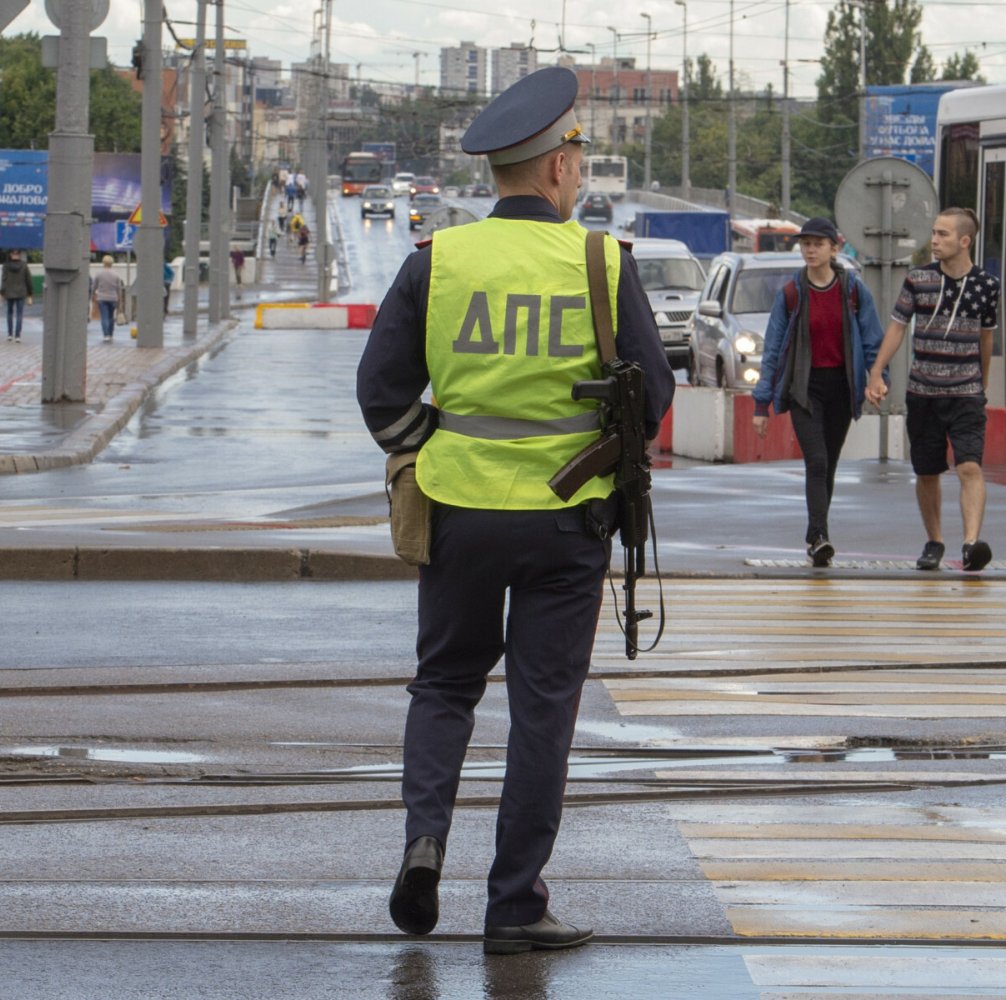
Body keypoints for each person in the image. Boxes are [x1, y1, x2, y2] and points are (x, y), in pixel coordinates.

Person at [357, 65, 673, 956]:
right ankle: (514, 906)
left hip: (457, 508)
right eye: (576, 156)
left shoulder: (441, 258)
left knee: (446, 684)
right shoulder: (600, 261)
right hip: (569, 520)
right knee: (543, 710)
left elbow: (379, 393)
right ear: (557, 168)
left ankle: (425, 843)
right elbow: (654, 393)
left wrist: (432, 445)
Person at [865, 207, 1001, 572]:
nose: (934, 240)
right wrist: (877, 372)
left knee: (970, 466)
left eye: (942, 234)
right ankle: (935, 541)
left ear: (964, 241)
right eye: (934, 233)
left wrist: (982, 384)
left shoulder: (987, 286)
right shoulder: (918, 280)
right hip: (923, 392)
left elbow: (985, 339)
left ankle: (972, 544)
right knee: (927, 471)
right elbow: (896, 328)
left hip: (966, 394)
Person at [751, 218, 884, 567]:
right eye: (805, 244)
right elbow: (773, 348)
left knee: (830, 464)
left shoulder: (853, 291)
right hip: (804, 388)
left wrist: (875, 378)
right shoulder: (792, 294)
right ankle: (819, 536)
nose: (809, 250)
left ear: (834, 249)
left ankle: (817, 535)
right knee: (818, 460)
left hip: (841, 388)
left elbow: (873, 340)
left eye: (817, 244)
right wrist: (761, 403)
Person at [0, 249, 34, 342]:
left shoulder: (6, 265)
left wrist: (2, 292)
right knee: (19, 314)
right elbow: (28, 280)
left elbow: (4, 280)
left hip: (9, 292)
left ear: (11, 255)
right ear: (19, 255)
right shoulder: (24, 265)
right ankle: (18, 336)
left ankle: (10, 334)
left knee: (9, 313)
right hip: (21, 292)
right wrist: (30, 293)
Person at [90, 254, 126, 341]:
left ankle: (106, 335)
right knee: (111, 317)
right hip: (113, 298)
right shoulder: (116, 275)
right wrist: (120, 300)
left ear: (103, 263)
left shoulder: (99, 274)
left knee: (104, 316)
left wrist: (92, 296)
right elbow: (119, 289)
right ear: (111, 263)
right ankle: (110, 334)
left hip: (102, 298)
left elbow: (93, 286)